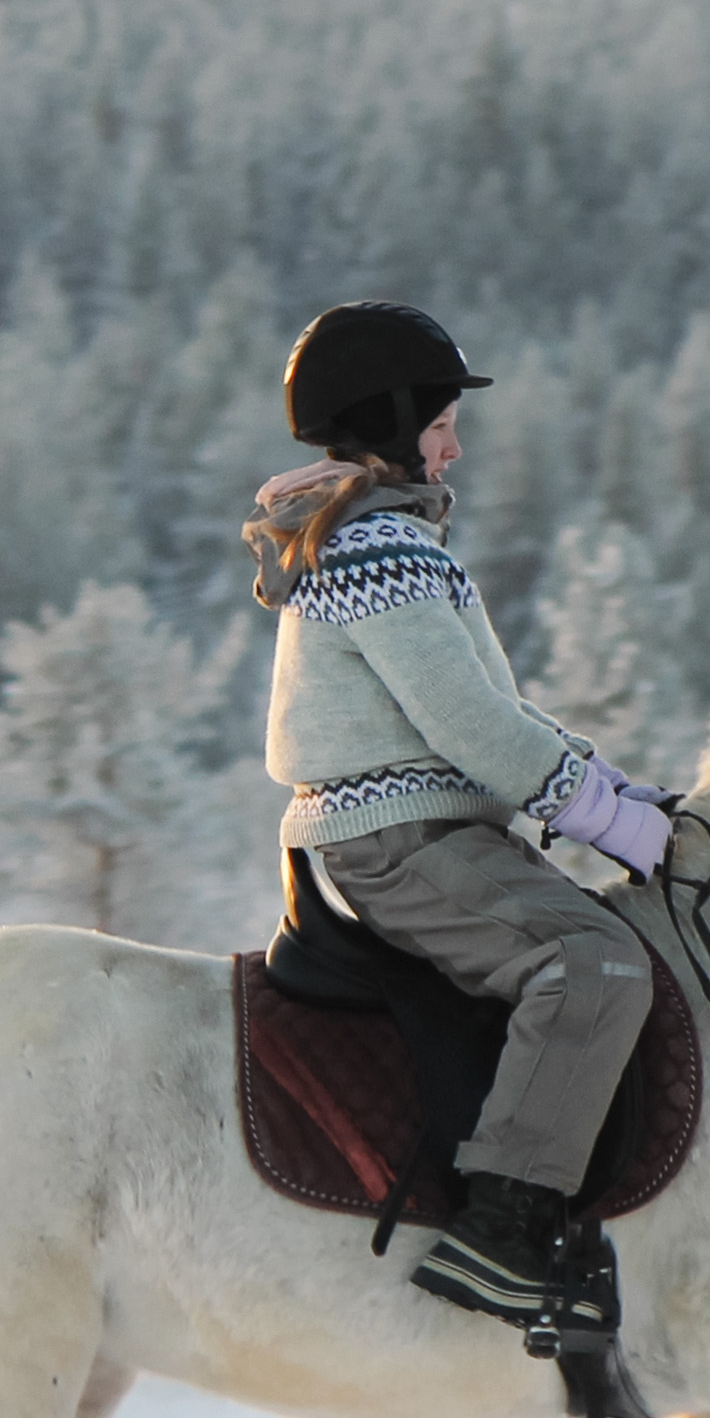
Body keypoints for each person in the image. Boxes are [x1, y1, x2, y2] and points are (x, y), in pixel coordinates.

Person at [245, 300, 676, 1349]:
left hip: (432, 832)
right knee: (594, 962)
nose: (455, 441)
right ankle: (503, 1222)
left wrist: (615, 791)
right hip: (399, 843)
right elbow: (471, 723)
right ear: (390, 421)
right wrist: (597, 816)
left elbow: (498, 715)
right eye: (441, 420)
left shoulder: (382, 541)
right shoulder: (380, 551)